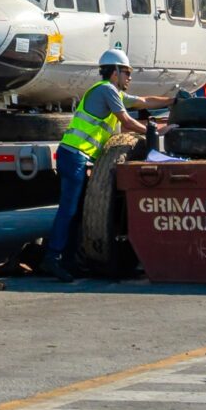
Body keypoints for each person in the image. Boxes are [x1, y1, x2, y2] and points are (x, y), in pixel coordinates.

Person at [44, 48, 164, 282]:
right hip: (74, 155)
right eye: (127, 72)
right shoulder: (106, 90)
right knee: (68, 210)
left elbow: (144, 101)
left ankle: (68, 261)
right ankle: (52, 257)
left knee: (77, 211)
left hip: (78, 156)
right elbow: (126, 121)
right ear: (115, 72)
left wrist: (174, 99)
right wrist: (154, 131)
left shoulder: (115, 93)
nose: (130, 77)